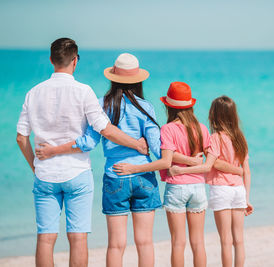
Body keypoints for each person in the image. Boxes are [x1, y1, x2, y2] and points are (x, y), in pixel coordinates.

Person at [16, 39, 147, 267]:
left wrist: (35, 166)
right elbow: (105, 130)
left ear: (51, 60)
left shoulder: (33, 93)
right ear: (75, 61)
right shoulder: (83, 91)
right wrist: (136, 144)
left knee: (45, 239)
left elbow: (21, 137)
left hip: (45, 175)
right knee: (78, 238)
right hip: (77, 173)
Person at [113, 83, 243, 267]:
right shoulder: (202, 129)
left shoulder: (167, 129)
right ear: (190, 105)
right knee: (198, 243)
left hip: (177, 187)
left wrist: (132, 168)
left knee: (178, 243)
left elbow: (166, 159)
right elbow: (210, 161)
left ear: (168, 106)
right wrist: (238, 170)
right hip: (198, 188)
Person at [168, 95, 253, 267]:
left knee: (225, 240)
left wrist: (182, 170)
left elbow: (208, 167)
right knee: (239, 239)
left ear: (214, 115)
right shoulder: (240, 138)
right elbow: (247, 171)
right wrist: (247, 199)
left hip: (221, 189)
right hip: (239, 190)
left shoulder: (216, 138)